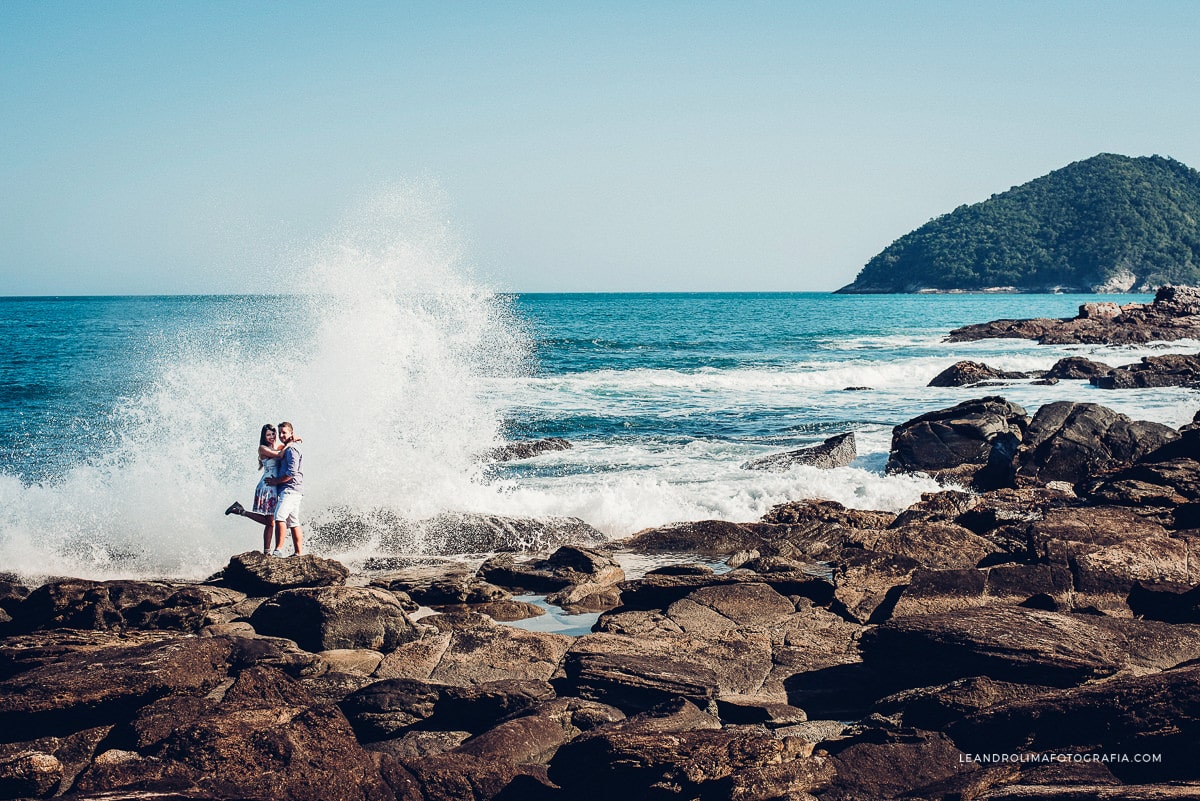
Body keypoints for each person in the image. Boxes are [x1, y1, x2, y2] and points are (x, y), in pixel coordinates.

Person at [225, 423, 300, 555]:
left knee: (270, 522)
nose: (271, 437)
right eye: (268, 435)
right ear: (264, 437)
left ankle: (266, 552)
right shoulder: (263, 448)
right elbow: (280, 456)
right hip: (267, 486)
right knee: (270, 521)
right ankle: (241, 512)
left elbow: (286, 450)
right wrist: (290, 442)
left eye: (273, 434)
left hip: (274, 486)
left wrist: (291, 440)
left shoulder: (279, 447)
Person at [266, 421, 304, 557]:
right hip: (294, 489)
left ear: (291, 433)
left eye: (284, 433)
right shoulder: (289, 447)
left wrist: (275, 481)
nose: (281, 435)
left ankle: (278, 550)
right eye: (280, 432)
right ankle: (298, 553)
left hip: (290, 489)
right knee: (293, 522)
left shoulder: (291, 449)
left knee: (279, 516)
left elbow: (291, 473)